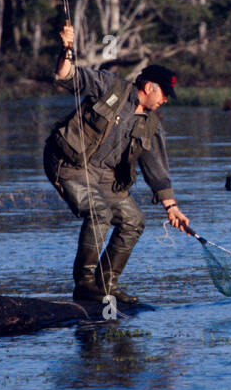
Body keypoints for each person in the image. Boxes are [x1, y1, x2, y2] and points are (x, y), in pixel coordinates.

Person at [43, 21, 191, 303]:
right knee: (99, 212)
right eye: (164, 95)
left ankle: (106, 283)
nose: (166, 101)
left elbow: (157, 172)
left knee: (134, 221)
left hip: (103, 175)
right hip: (67, 164)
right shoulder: (110, 87)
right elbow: (66, 76)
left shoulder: (152, 125)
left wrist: (172, 209)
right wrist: (66, 49)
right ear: (149, 87)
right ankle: (84, 284)